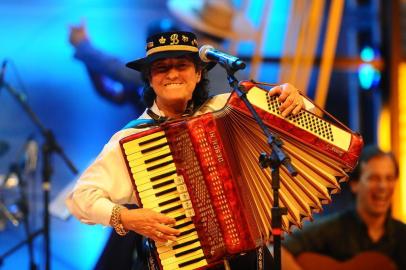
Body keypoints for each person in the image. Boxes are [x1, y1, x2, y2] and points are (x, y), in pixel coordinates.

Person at [66, 30, 305, 269]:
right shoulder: (133, 137)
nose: (172, 74)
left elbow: (301, 119)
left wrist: (293, 99)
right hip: (185, 258)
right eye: (161, 68)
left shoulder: (226, 109)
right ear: (150, 78)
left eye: (182, 65)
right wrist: (125, 217)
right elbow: (81, 197)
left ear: (199, 73)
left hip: (250, 256)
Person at [281, 145, 406, 270]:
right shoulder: (333, 229)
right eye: (374, 178)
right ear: (354, 184)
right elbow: (278, 250)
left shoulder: (402, 235)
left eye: (389, 178)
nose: (383, 186)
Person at [68, 19, 180, 117]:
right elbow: (113, 93)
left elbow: (119, 71)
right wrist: (89, 60)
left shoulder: (177, 74)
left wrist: (83, 45)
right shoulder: (145, 78)